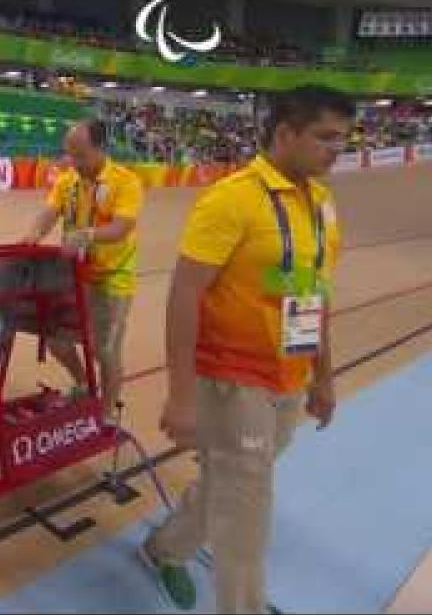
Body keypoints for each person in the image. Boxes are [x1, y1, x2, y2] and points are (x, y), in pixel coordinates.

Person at [142, 85, 353, 613]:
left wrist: (323, 375)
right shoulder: (231, 198)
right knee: (247, 507)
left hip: (290, 376)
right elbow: (184, 293)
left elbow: (315, 292)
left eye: (344, 139)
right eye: (325, 136)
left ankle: (165, 548)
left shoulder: (323, 204)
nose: (337, 148)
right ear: (284, 134)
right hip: (233, 380)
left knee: (231, 484)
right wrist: (181, 396)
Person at [21, 118, 144, 423]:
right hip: (74, 278)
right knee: (56, 340)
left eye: (80, 155)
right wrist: (34, 232)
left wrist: (89, 235)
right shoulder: (68, 180)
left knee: (105, 349)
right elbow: (48, 213)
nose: (73, 162)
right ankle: (84, 384)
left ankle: (108, 409)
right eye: (69, 154)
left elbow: (122, 226)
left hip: (113, 278)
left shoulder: (126, 181)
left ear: (101, 148)